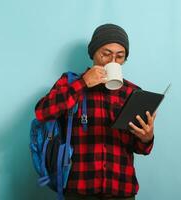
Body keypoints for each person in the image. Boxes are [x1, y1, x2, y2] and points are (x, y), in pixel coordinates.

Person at [35, 23, 156, 200]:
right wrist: (83, 83)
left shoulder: (133, 92)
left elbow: (141, 149)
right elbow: (42, 112)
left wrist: (147, 138)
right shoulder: (69, 83)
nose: (113, 61)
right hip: (79, 189)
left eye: (120, 56)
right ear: (93, 53)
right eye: (106, 54)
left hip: (121, 189)